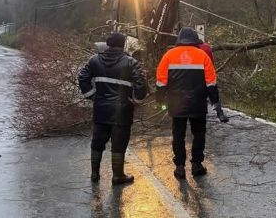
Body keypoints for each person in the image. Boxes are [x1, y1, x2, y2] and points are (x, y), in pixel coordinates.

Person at [156, 27, 228, 180]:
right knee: (199, 134)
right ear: (195, 40)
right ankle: (196, 164)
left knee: (178, 134)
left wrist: (160, 102)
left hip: (176, 103)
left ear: (179, 40)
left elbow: (161, 82)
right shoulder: (202, 55)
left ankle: (180, 166)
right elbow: (211, 83)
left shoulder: (168, 55)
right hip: (198, 103)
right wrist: (216, 103)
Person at [78, 32, 148, 185]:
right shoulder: (131, 62)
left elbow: (82, 77)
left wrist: (92, 96)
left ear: (108, 44)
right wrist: (136, 100)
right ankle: (117, 176)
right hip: (122, 111)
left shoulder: (94, 60)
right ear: (123, 45)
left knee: (97, 141)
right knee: (119, 143)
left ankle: (94, 174)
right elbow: (142, 84)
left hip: (101, 109)